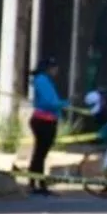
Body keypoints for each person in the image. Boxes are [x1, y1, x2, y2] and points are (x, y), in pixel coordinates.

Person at [28, 56, 68, 196]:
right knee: (40, 154)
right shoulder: (42, 80)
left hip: (45, 120)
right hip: (44, 121)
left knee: (40, 154)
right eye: (55, 67)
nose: (57, 70)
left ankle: (36, 183)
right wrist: (63, 104)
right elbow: (48, 102)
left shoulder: (44, 80)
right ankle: (37, 184)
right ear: (49, 68)